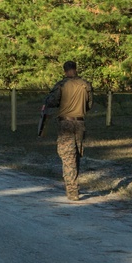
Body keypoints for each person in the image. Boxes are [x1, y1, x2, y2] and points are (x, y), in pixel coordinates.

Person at [43, 60, 94, 200]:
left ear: (65, 71)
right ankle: (75, 186)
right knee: (76, 155)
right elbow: (89, 104)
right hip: (80, 123)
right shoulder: (86, 85)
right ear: (76, 69)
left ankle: (72, 191)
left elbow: (51, 101)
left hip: (65, 123)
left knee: (67, 157)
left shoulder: (61, 85)